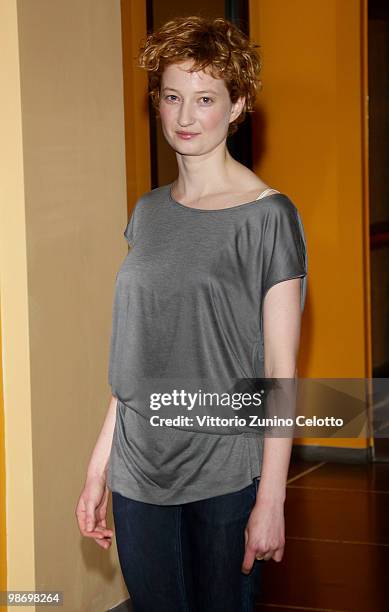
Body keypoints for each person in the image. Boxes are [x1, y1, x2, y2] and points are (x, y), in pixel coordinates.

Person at [75, 15, 308, 612]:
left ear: (236, 107)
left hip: (224, 473)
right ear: (156, 103)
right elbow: (139, 357)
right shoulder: (148, 212)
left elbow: (279, 372)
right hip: (138, 469)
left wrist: (272, 501)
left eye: (205, 100)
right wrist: (98, 467)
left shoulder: (268, 217)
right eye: (172, 97)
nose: (184, 117)